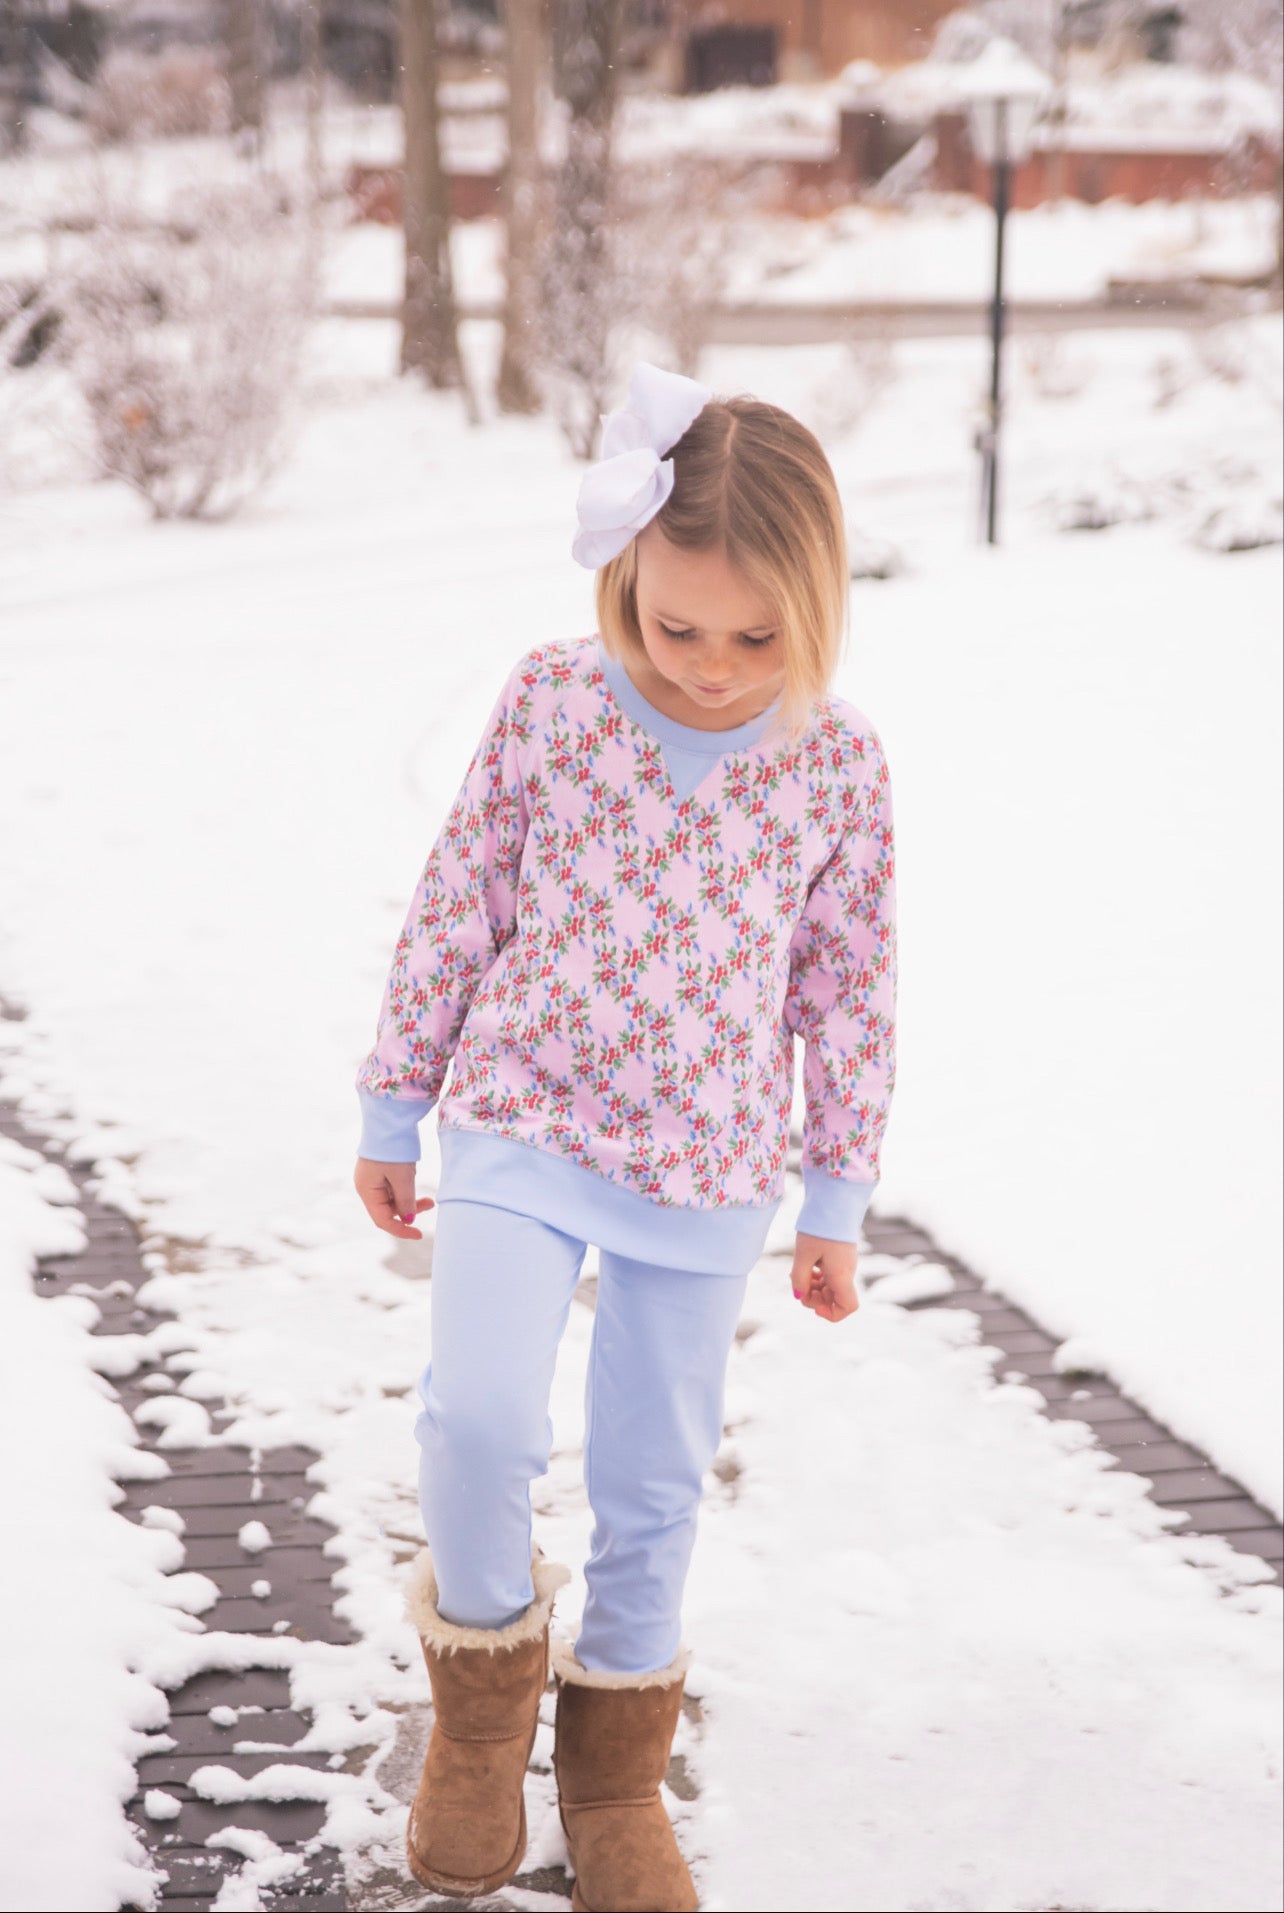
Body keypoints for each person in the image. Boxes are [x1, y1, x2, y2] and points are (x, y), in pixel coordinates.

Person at [352, 362, 898, 1912]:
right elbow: (457, 903)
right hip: (524, 1118)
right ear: (624, 581)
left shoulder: (837, 766)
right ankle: (482, 1715)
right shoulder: (551, 704)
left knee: (654, 1474)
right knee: (477, 1421)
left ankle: (612, 1774)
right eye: (676, 627)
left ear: (816, 605)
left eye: (756, 636)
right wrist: (398, 1098)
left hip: (710, 1166)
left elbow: (847, 992)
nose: (714, 669)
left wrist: (839, 1194)